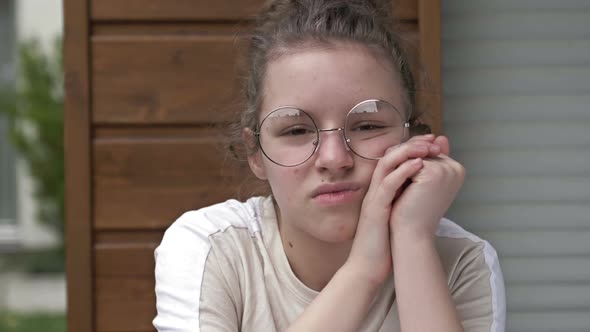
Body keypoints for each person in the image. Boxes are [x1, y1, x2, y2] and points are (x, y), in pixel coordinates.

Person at [153, 0, 506, 331]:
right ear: (256, 153)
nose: (335, 159)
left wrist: (413, 241)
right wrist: (362, 271)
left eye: (367, 125)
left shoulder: (461, 260)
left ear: (414, 139)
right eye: (296, 130)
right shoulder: (212, 249)